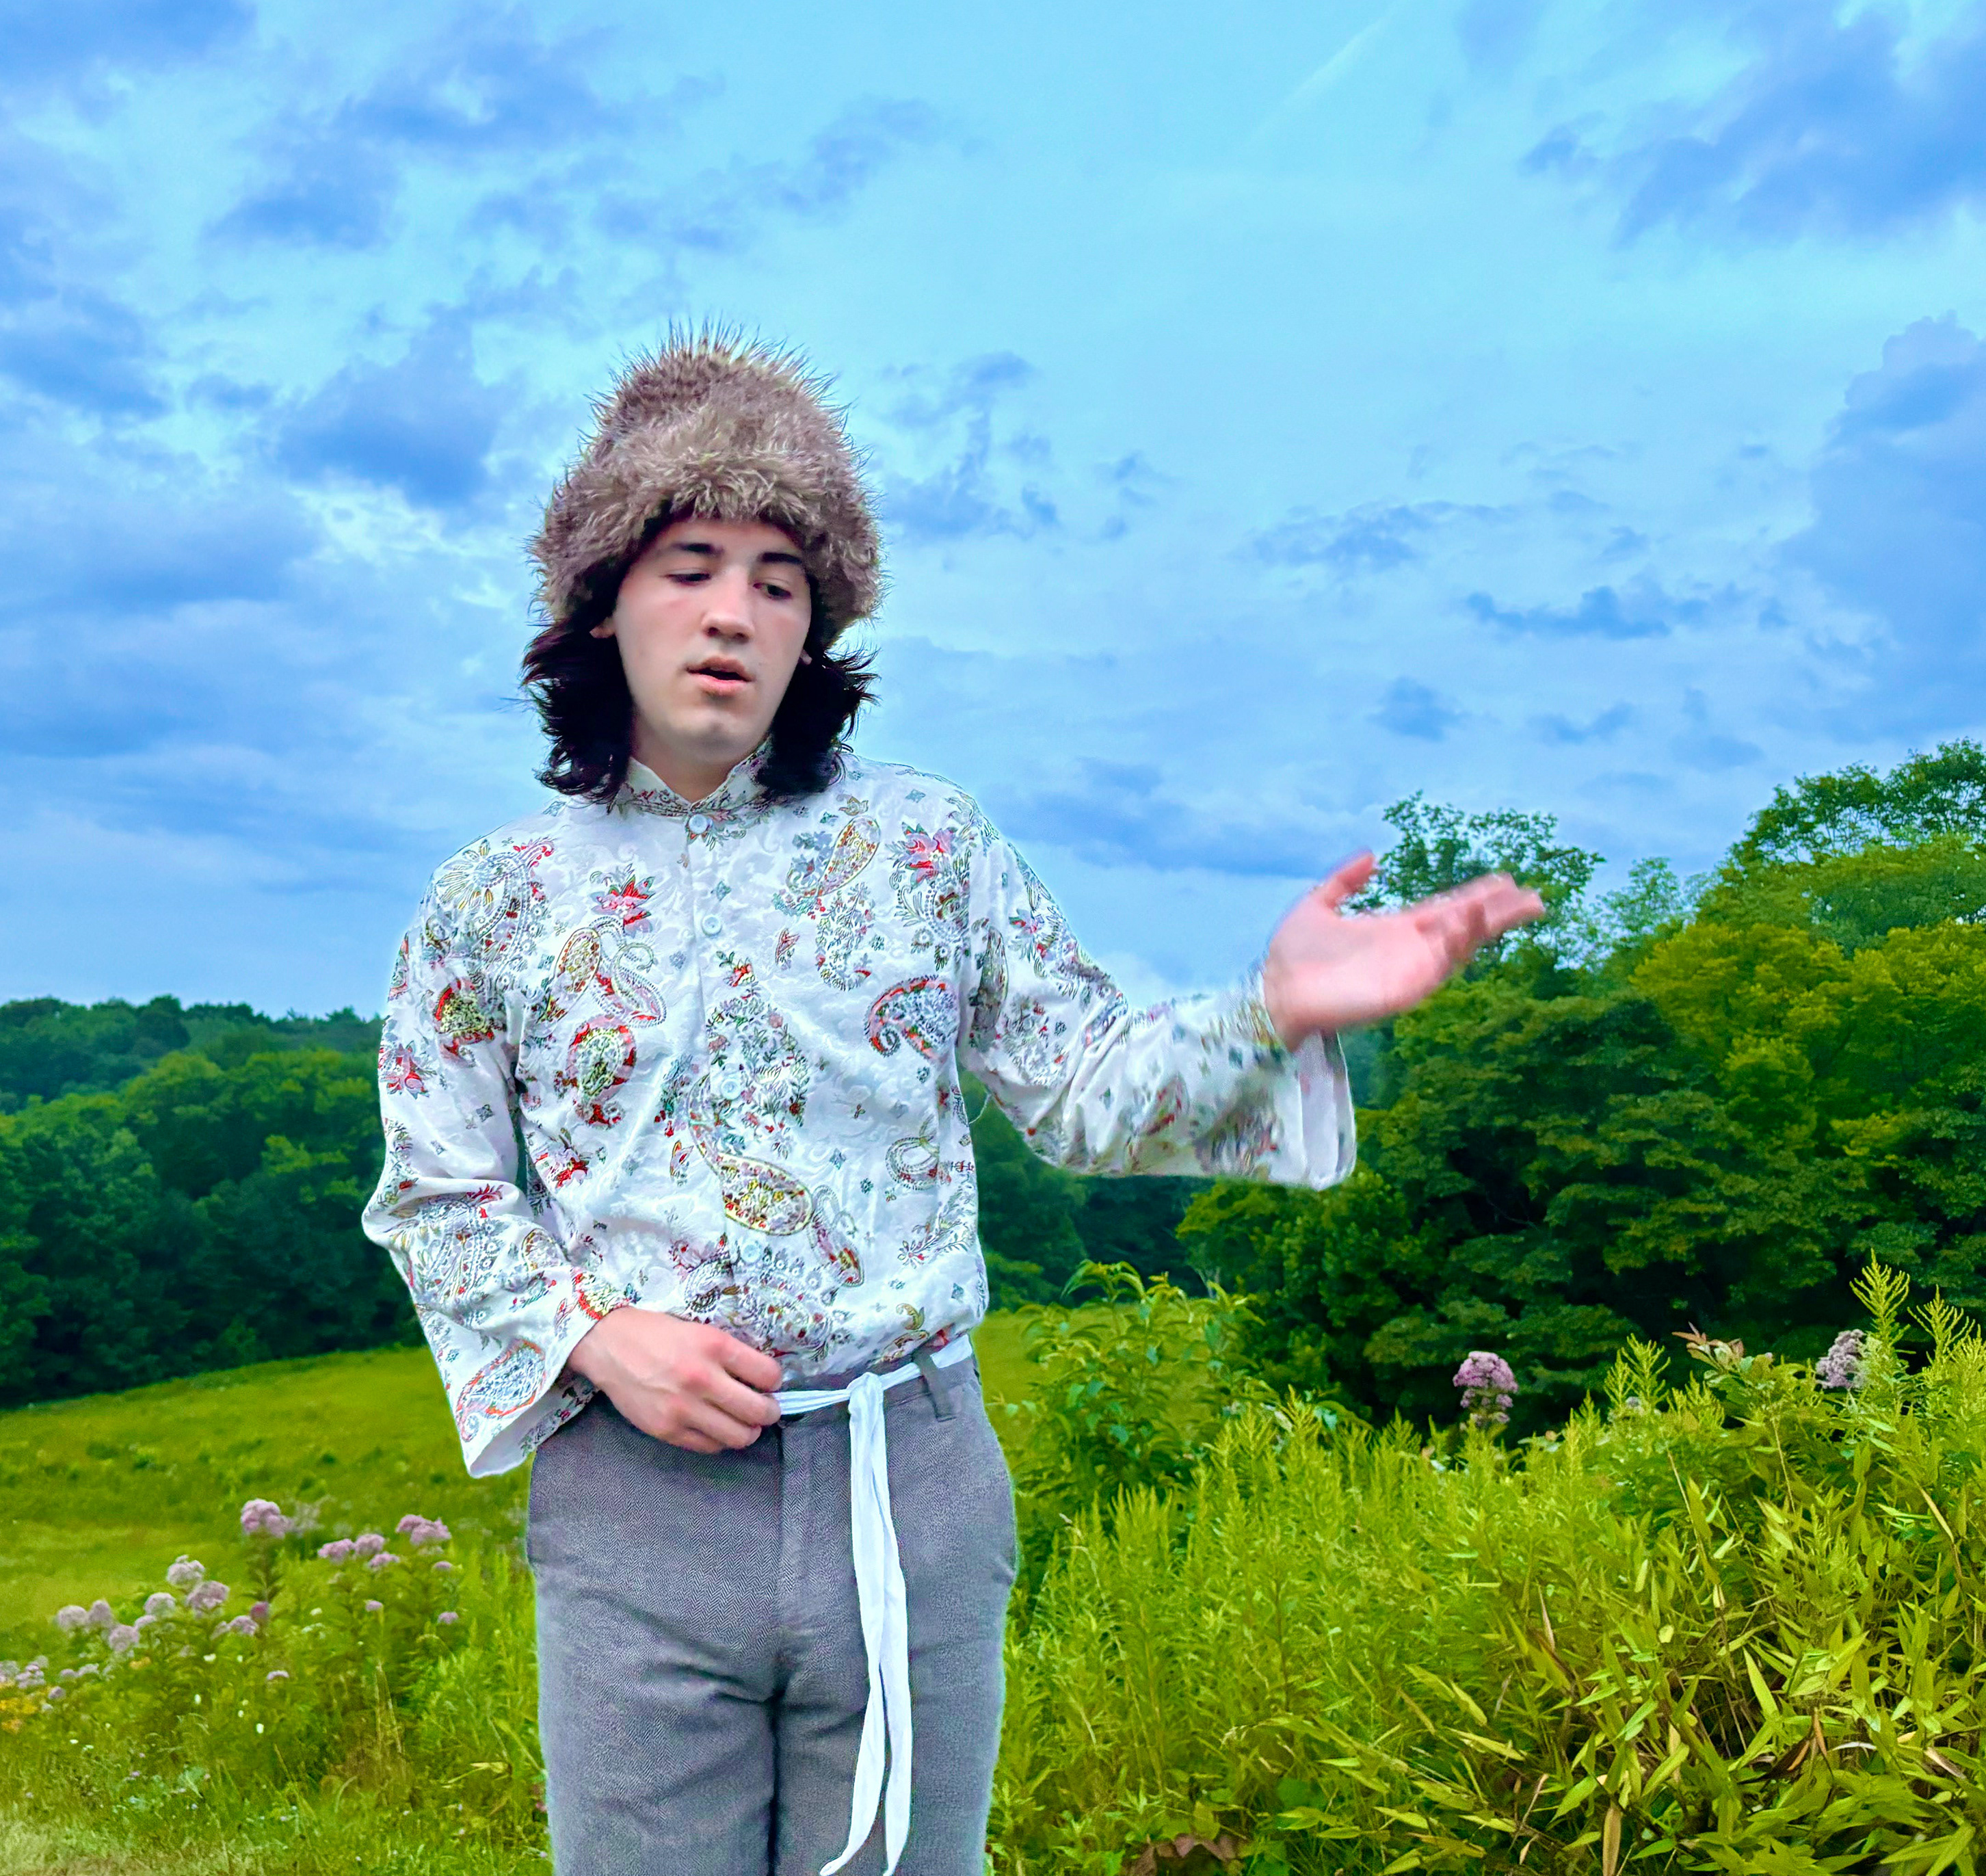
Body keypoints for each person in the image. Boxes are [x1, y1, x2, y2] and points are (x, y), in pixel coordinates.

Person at [360, 332, 1543, 1876]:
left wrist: (1276, 1010)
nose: (733, 611)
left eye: (781, 581)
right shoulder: (491, 898)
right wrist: (593, 1335)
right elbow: (441, 1193)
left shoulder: (928, 844)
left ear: (817, 628)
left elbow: (1084, 1087)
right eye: (690, 566)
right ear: (603, 602)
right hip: (636, 1509)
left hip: (905, 1485)